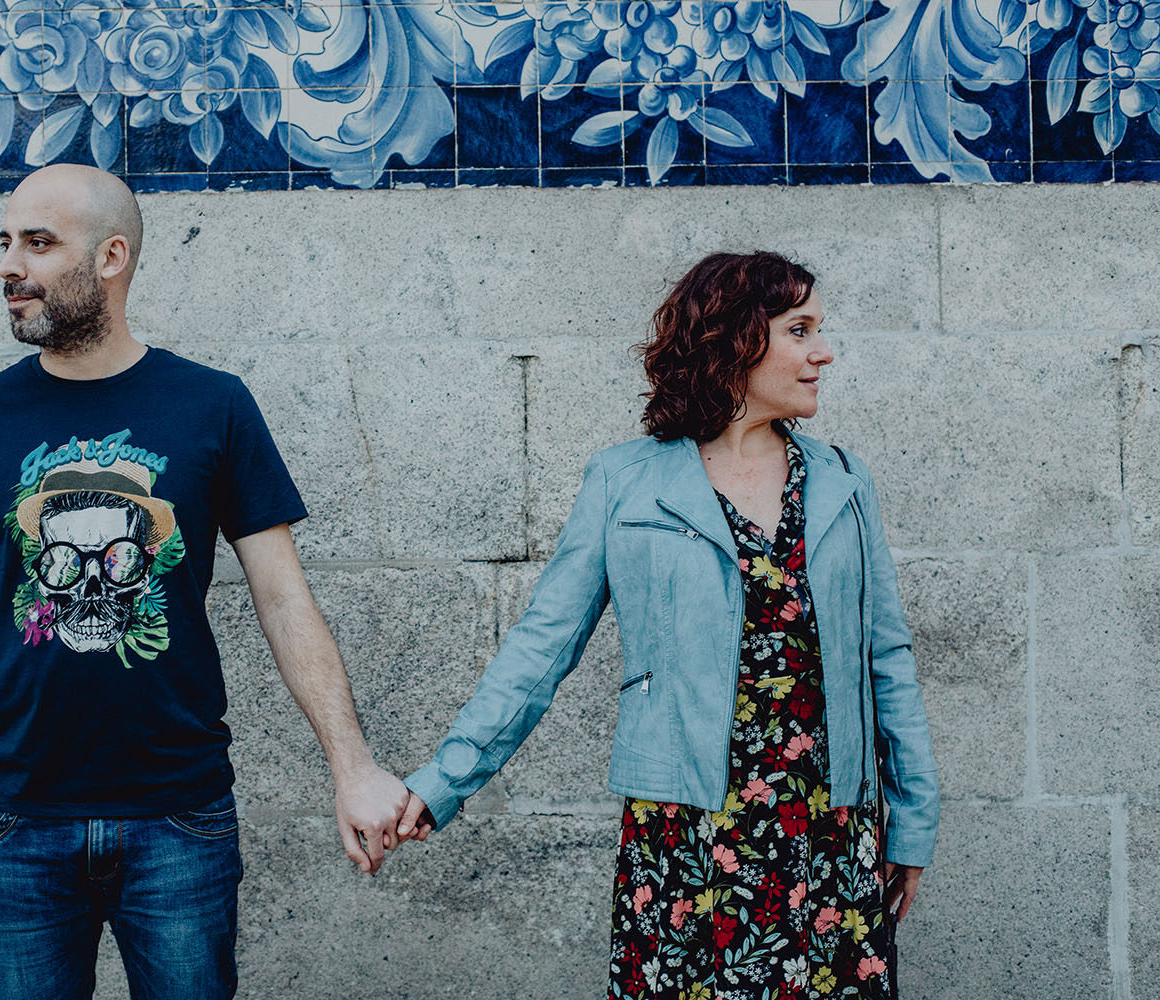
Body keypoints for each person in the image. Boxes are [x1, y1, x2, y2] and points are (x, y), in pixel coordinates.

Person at [0, 164, 411, 1000]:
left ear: (112, 257)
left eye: (39, 242)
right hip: (18, 821)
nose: (9, 265)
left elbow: (283, 599)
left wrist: (353, 768)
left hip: (180, 818)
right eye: (6, 241)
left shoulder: (213, 405)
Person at [396, 252, 938, 999]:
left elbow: (888, 660)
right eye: (800, 330)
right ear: (736, 340)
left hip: (828, 834)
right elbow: (541, 647)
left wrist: (911, 821)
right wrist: (443, 782)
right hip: (688, 842)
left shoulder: (844, 479)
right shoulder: (627, 481)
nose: (824, 352)